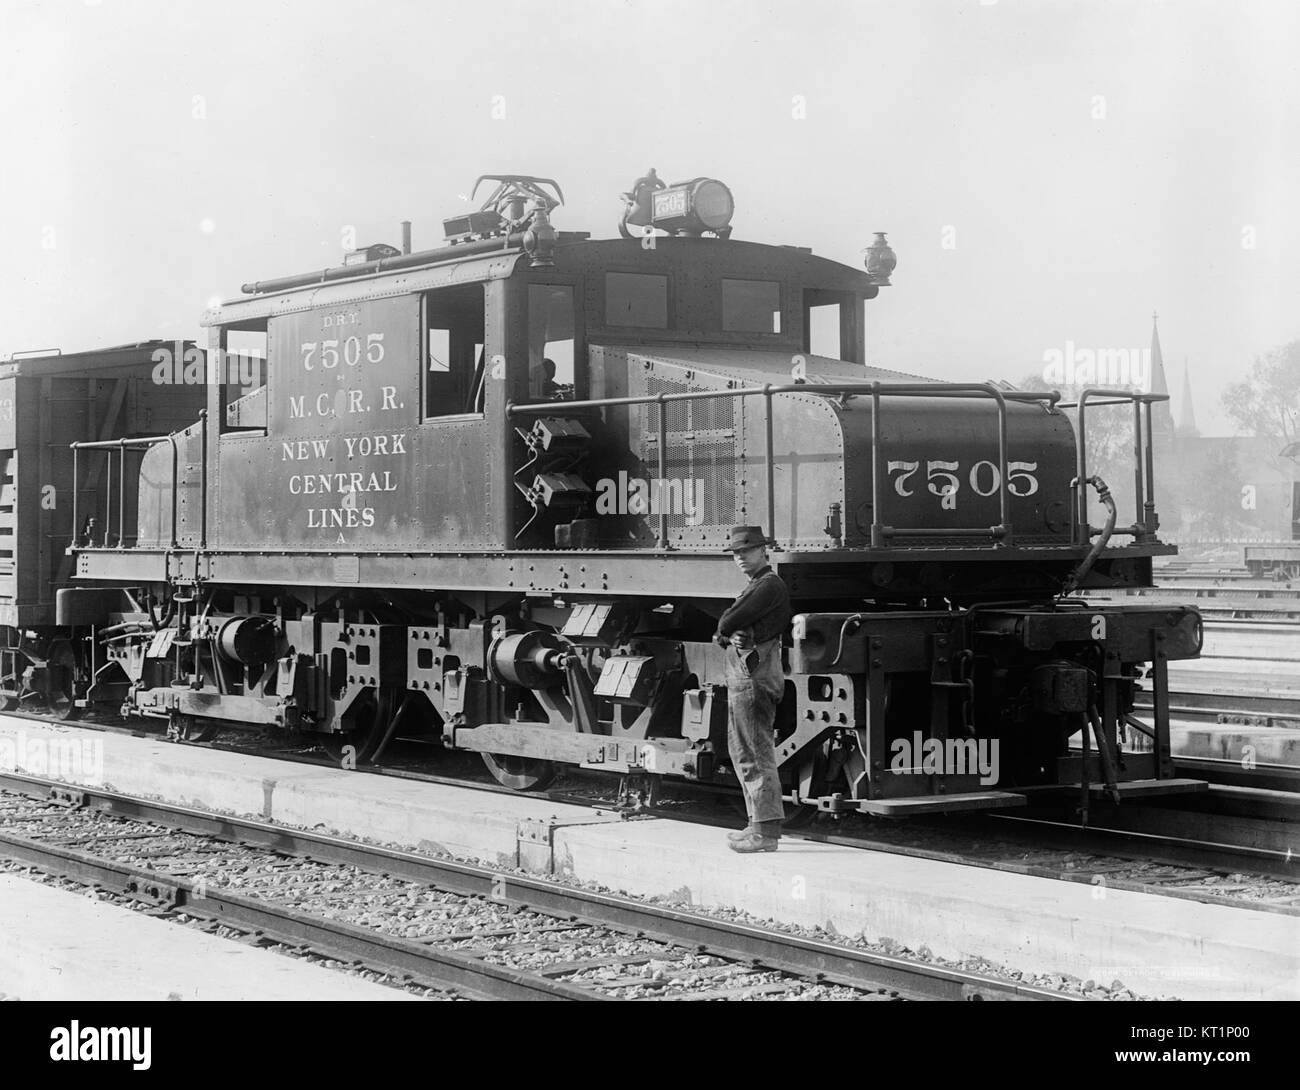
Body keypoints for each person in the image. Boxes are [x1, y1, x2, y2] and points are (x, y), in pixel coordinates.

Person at [715, 525, 791, 853]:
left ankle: (766, 834)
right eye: (736, 553)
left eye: (746, 551)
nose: (740, 558)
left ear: (763, 551)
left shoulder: (768, 585)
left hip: (754, 677)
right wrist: (731, 631)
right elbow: (733, 624)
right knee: (745, 752)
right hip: (750, 674)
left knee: (756, 754)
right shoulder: (759, 585)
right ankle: (756, 824)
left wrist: (726, 630)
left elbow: (729, 619)